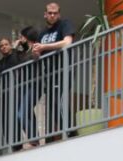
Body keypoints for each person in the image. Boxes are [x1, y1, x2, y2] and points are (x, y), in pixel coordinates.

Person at [32, 3, 76, 140]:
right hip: (49, 74)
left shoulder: (64, 24)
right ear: (45, 14)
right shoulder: (42, 33)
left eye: (55, 13)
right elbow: (37, 55)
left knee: (59, 101)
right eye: (50, 13)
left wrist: (44, 46)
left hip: (62, 70)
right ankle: (61, 133)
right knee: (52, 104)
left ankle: (70, 132)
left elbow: (67, 42)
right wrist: (35, 52)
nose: (52, 15)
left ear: (59, 14)